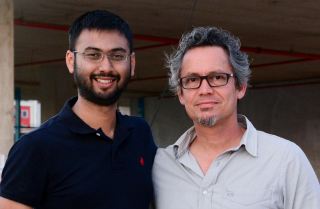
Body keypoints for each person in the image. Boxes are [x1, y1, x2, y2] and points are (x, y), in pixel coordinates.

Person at [0, 10, 157, 209]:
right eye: (93, 55)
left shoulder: (139, 133)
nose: (106, 67)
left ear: (132, 63)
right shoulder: (35, 148)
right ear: (71, 61)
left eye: (117, 55)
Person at [152, 26, 320, 209]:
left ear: (240, 87)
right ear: (181, 94)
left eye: (217, 77)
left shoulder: (285, 159)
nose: (205, 90)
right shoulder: (160, 164)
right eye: (192, 80)